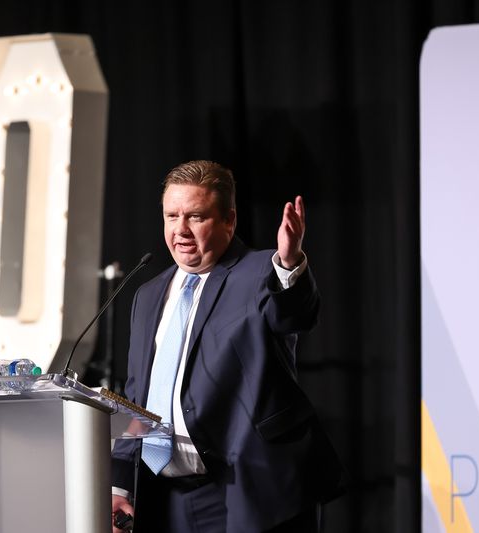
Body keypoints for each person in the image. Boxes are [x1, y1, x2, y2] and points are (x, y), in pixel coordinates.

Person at [111, 160, 347, 532]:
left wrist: (289, 263)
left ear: (229, 221)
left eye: (196, 216)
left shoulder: (258, 273)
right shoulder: (148, 294)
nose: (181, 230)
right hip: (164, 498)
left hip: (247, 493)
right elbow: (137, 396)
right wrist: (120, 480)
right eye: (172, 216)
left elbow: (295, 315)